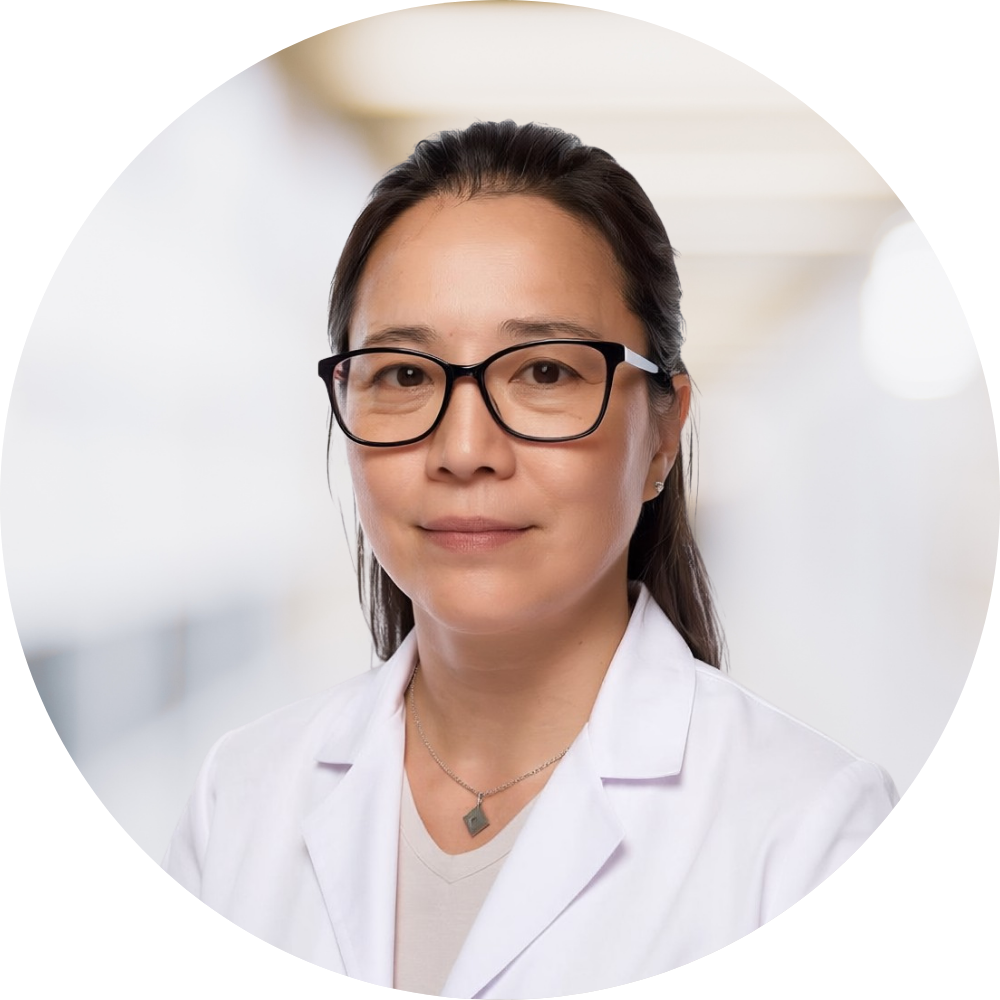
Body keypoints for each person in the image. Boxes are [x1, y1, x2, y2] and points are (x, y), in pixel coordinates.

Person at [162, 121, 898, 998]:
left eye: (544, 373)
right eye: (403, 375)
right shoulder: (238, 801)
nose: (464, 447)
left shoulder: (816, 833)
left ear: (663, 430)